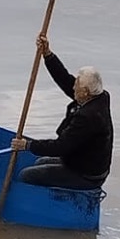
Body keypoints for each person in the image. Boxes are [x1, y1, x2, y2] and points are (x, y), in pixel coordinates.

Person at [9, 34, 112, 190]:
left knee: (27, 175)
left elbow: (60, 147)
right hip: (83, 162)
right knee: (40, 162)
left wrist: (27, 145)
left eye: (76, 84)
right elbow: (65, 80)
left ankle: (43, 209)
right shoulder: (98, 97)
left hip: (87, 174)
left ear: (84, 92)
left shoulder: (88, 117)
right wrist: (48, 55)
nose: (73, 87)